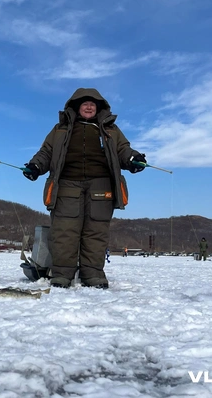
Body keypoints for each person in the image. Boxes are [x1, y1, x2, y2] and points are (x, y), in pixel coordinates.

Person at [23, 87, 147, 289]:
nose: (89, 107)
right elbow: (46, 152)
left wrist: (133, 159)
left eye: (92, 104)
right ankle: (62, 274)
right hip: (66, 185)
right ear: (76, 107)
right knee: (64, 230)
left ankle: (93, 274)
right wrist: (35, 166)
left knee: (95, 232)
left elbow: (124, 149)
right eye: (84, 103)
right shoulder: (59, 129)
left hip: (101, 185)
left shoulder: (111, 130)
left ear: (98, 108)